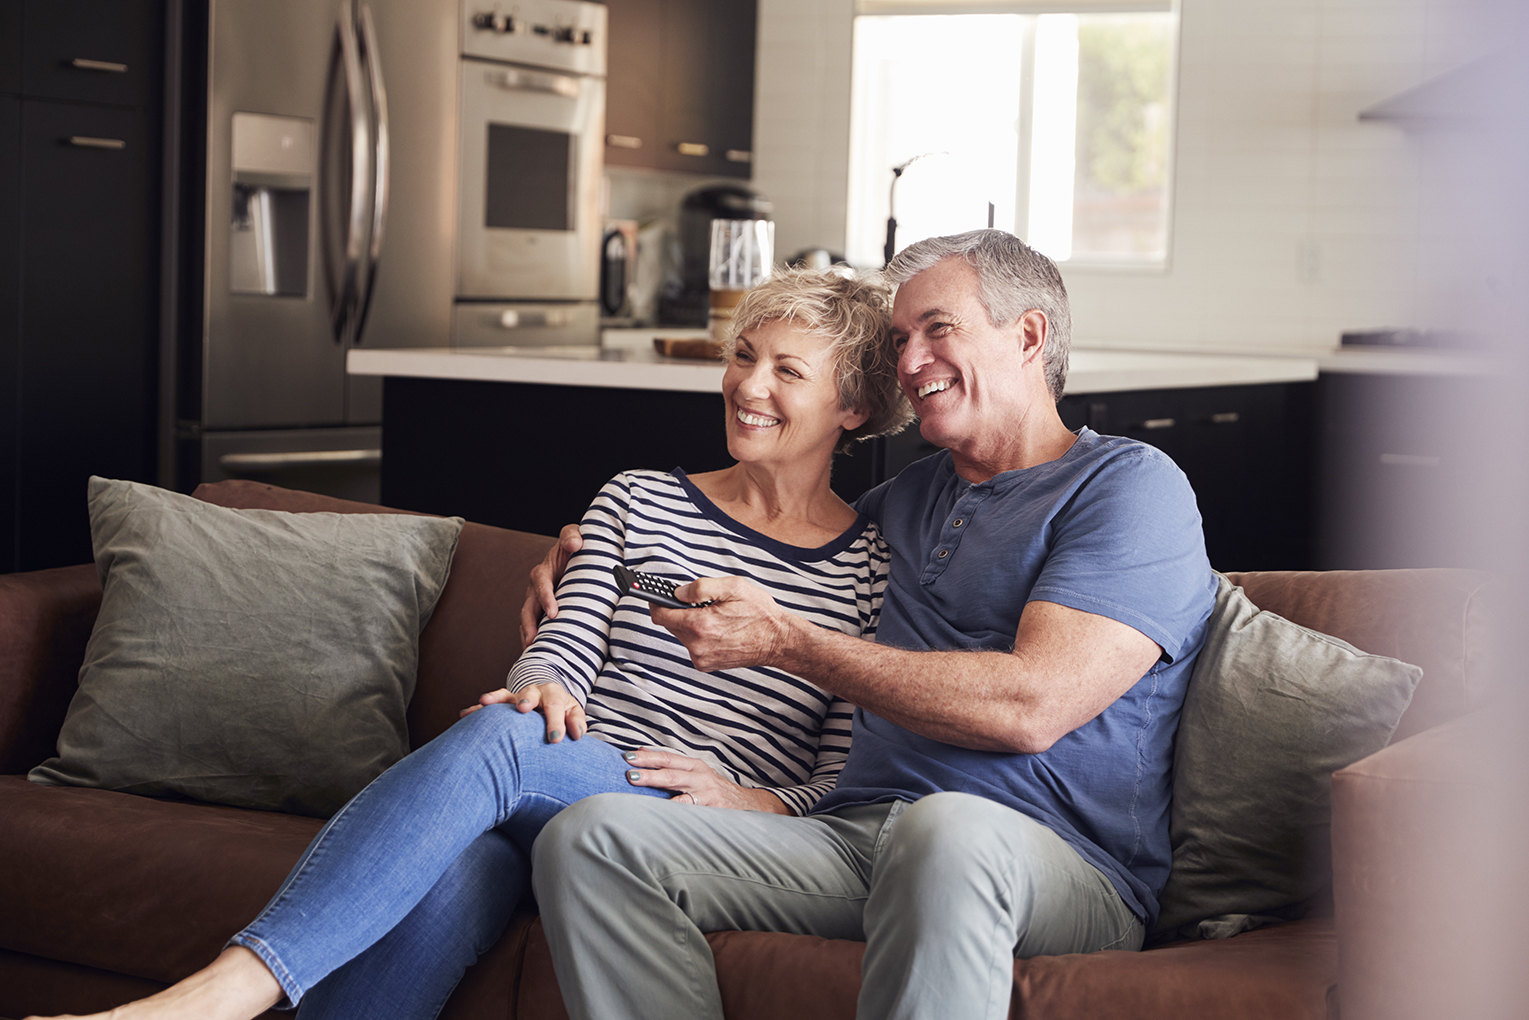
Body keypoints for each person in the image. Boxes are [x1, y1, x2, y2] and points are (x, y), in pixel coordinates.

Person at [31, 268, 913, 1020]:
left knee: (494, 757)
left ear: (853, 405)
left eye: (786, 371)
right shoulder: (640, 497)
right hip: (575, 762)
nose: (748, 386)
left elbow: (846, 766)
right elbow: (562, 642)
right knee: (468, 846)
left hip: (682, 817)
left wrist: (761, 801)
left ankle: (219, 994)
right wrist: (543, 686)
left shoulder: (870, 568)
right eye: (742, 356)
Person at [521, 229, 1219, 1020]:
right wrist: (591, 561)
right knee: (592, 838)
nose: (909, 361)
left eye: (937, 329)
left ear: (1028, 335)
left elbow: (1030, 708)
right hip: (854, 840)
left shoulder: (1128, 487)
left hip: (1057, 864)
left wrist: (789, 641)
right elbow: (763, 557)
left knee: (945, 831)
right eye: (898, 339)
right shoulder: (903, 504)